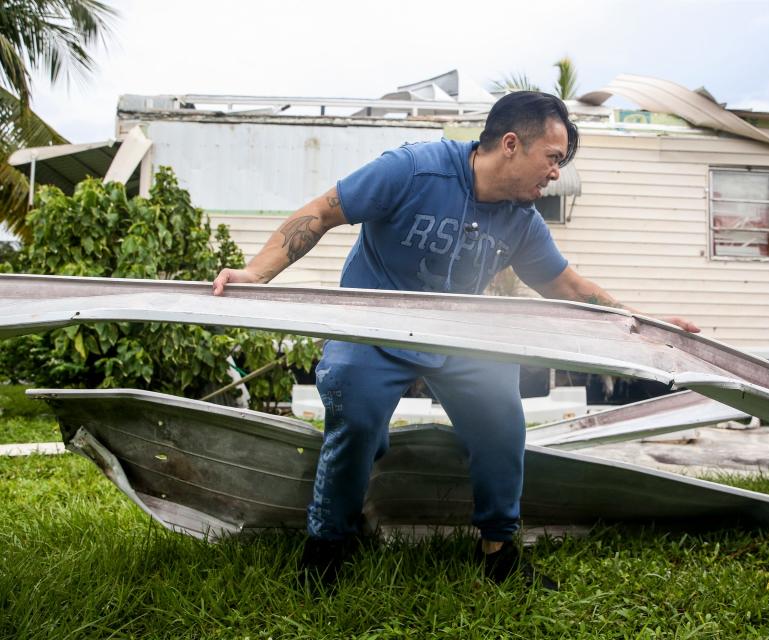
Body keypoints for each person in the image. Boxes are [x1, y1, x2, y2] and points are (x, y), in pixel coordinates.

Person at [212, 91, 699, 590]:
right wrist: (257, 272)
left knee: (502, 424)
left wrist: (645, 322)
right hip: (373, 323)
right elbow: (322, 212)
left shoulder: (522, 221)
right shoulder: (412, 170)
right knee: (355, 419)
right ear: (511, 143)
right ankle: (327, 547)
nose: (556, 173)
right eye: (552, 158)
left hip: (458, 334)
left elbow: (569, 286)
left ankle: (499, 552)